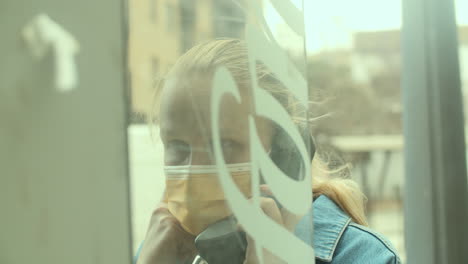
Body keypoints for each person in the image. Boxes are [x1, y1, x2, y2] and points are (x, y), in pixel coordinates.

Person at [135, 39, 401, 264]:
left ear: (285, 156)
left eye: (224, 145)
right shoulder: (161, 250)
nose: (194, 170)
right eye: (178, 148)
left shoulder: (362, 256)